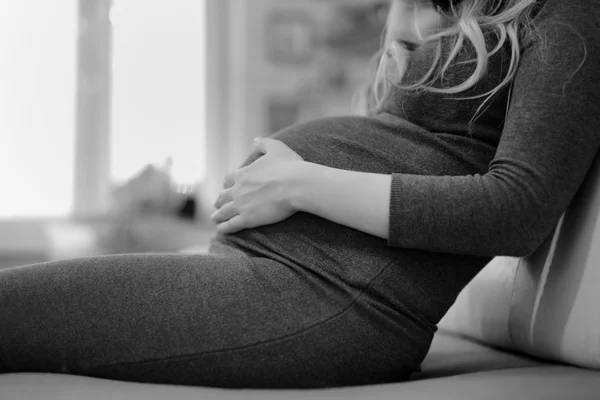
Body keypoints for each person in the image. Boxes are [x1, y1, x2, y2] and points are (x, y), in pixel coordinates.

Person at [1, 0, 599, 389]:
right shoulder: (460, 14)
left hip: (333, 296)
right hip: (287, 272)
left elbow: (515, 211)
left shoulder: (570, 12)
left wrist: (302, 183)